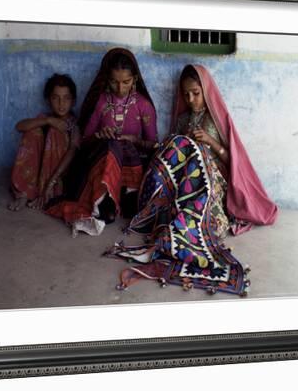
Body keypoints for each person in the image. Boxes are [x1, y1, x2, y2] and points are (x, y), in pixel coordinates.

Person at [104, 64, 278, 296]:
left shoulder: (217, 119)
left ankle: (194, 224)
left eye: (196, 93)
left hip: (212, 181)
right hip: (185, 182)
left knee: (198, 161)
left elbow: (231, 161)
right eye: (186, 94)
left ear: (206, 90)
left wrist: (209, 142)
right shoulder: (183, 118)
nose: (191, 99)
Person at [46, 48, 158, 236]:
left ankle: (122, 200)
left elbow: (154, 145)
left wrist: (133, 140)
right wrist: (99, 136)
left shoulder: (143, 106)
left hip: (131, 165)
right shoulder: (100, 102)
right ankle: (105, 203)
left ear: (135, 80)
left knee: (123, 147)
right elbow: (84, 141)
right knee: (110, 146)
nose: (120, 88)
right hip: (101, 162)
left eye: (126, 82)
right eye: (114, 82)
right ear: (107, 79)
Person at [8, 73, 80, 211]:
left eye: (66, 98)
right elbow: (19, 126)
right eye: (56, 98)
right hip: (39, 170)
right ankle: (24, 192)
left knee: (56, 133)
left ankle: (45, 191)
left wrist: (50, 183)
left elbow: (72, 153)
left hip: (59, 175)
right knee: (32, 131)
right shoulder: (45, 117)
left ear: (73, 101)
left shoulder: (74, 124)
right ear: (48, 100)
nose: (61, 104)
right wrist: (48, 120)